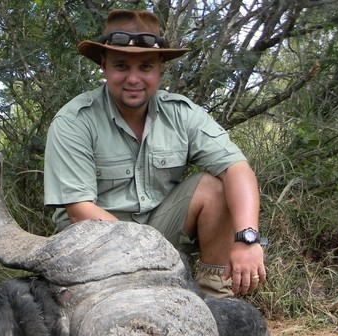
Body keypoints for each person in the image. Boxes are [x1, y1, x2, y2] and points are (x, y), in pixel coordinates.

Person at [44, 9, 266, 297]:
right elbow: (80, 212)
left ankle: (216, 301)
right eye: (121, 66)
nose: (133, 79)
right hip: (92, 247)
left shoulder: (182, 114)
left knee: (216, 185)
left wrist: (247, 239)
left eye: (145, 67)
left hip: (158, 239)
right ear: (104, 65)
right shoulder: (74, 121)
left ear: (161, 67)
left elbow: (237, 169)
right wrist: (150, 253)